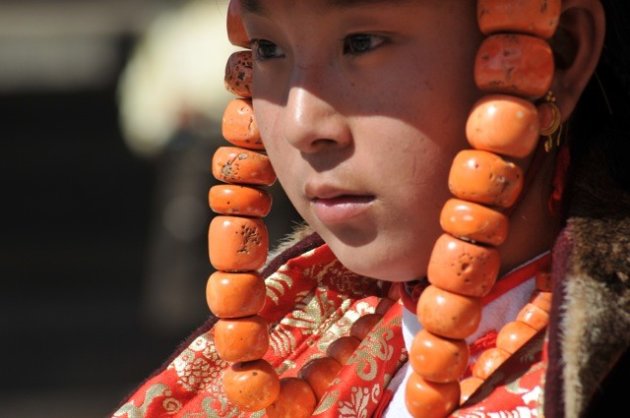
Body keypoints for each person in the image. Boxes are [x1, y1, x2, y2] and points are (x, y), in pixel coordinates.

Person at [113, 1, 629, 417]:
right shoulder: (304, 341)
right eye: (267, 47)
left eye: (360, 42)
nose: (300, 124)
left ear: (556, 56)